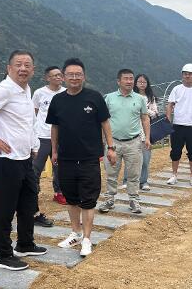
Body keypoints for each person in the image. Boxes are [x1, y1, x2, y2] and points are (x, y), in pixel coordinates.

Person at [0, 50, 47, 271]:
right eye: (18, 64)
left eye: (27, 65)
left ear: (33, 70)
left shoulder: (25, 89)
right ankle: (2, 254)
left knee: (28, 204)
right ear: (9, 68)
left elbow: (26, 122)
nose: (23, 68)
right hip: (5, 161)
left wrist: (33, 146)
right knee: (4, 210)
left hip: (24, 159)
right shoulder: (5, 88)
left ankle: (25, 243)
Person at [46, 58, 116, 257]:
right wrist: (54, 151)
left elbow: (105, 123)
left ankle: (87, 238)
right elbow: (55, 127)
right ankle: (75, 233)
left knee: (88, 200)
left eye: (78, 74)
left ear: (84, 76)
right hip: (66, 158)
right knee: (71, 199)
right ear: (64, 76)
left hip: (89, 158)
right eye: (70, 74)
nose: (74, 78)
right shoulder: (58, 100)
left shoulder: (94, 97)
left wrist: (111, 147)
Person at [99, 69, 150, 214]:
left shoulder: (140, 99)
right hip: (113, 143)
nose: (129, 81)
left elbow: (145, 118)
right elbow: (103, 120)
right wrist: (103, 141)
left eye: (131, 78)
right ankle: (109, 199)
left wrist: (147, 137)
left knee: (134, 173)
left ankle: (134, 200)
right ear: (118, 81)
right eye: (126, 78)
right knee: (111, 173)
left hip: (134, 142)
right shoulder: (109, 98)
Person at [166, 64, 192, 187]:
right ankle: (174, 175)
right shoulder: (176, 89)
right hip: (177, 125)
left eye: (190, 74)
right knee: (175, 151)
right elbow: (170, 105)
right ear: (182, 75)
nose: (187, 76)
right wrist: (168, 120)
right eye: (185, 73)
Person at [32, 66, 67, 213]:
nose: (58, 77)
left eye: (60, 75)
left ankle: (59, 192)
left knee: (59, 167)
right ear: (47, 78)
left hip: (60, 137)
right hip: (42, 136)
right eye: (55, 75)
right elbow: (33, 113)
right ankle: (33, 193)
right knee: (36, 167)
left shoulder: (66, 92)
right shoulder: (39, 93)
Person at [122, 74, 158, 191]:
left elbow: (155, 113)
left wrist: (143, 110)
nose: (142, 84)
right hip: (132, 130)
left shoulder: (150, 97)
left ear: (147, 84)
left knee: (145, 159)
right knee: (130, 158)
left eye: (144, 82)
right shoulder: (130, 95)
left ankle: (143, 181)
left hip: (146, 131)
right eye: (139, 82)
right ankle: (127, 180)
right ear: (135, 83)